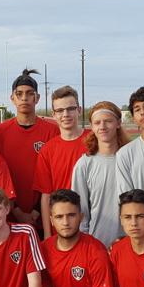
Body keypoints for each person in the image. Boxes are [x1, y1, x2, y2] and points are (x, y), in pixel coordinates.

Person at [0, 69, 58, 227]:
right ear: (12, 98)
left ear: (37, 98)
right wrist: (15, 210)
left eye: (29, 93)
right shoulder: (0, 132)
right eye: (19, 94)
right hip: (8, 213)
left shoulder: (52, 131)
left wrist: (37, 210)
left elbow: (55, 173)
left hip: (45, 212)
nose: (24, 98)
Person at [33, 86, 90, 239]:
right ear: (54, 114)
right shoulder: (48, 150)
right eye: (60, 110)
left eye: (70, 109)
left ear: (79, 109)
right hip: (62, 225)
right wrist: (46, 233)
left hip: (92, 221)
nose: (65, 114)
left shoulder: (93, 140)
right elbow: (45, 196)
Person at [71, 101, 129, 247]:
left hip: (131, 242)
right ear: (92, 127)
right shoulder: (85, 164)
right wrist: (86, 243)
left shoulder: (131, 159)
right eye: (97, 123)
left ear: (118, 123)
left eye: (108, 121)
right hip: (97, 243)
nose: (102, 127)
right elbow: (80, 209)